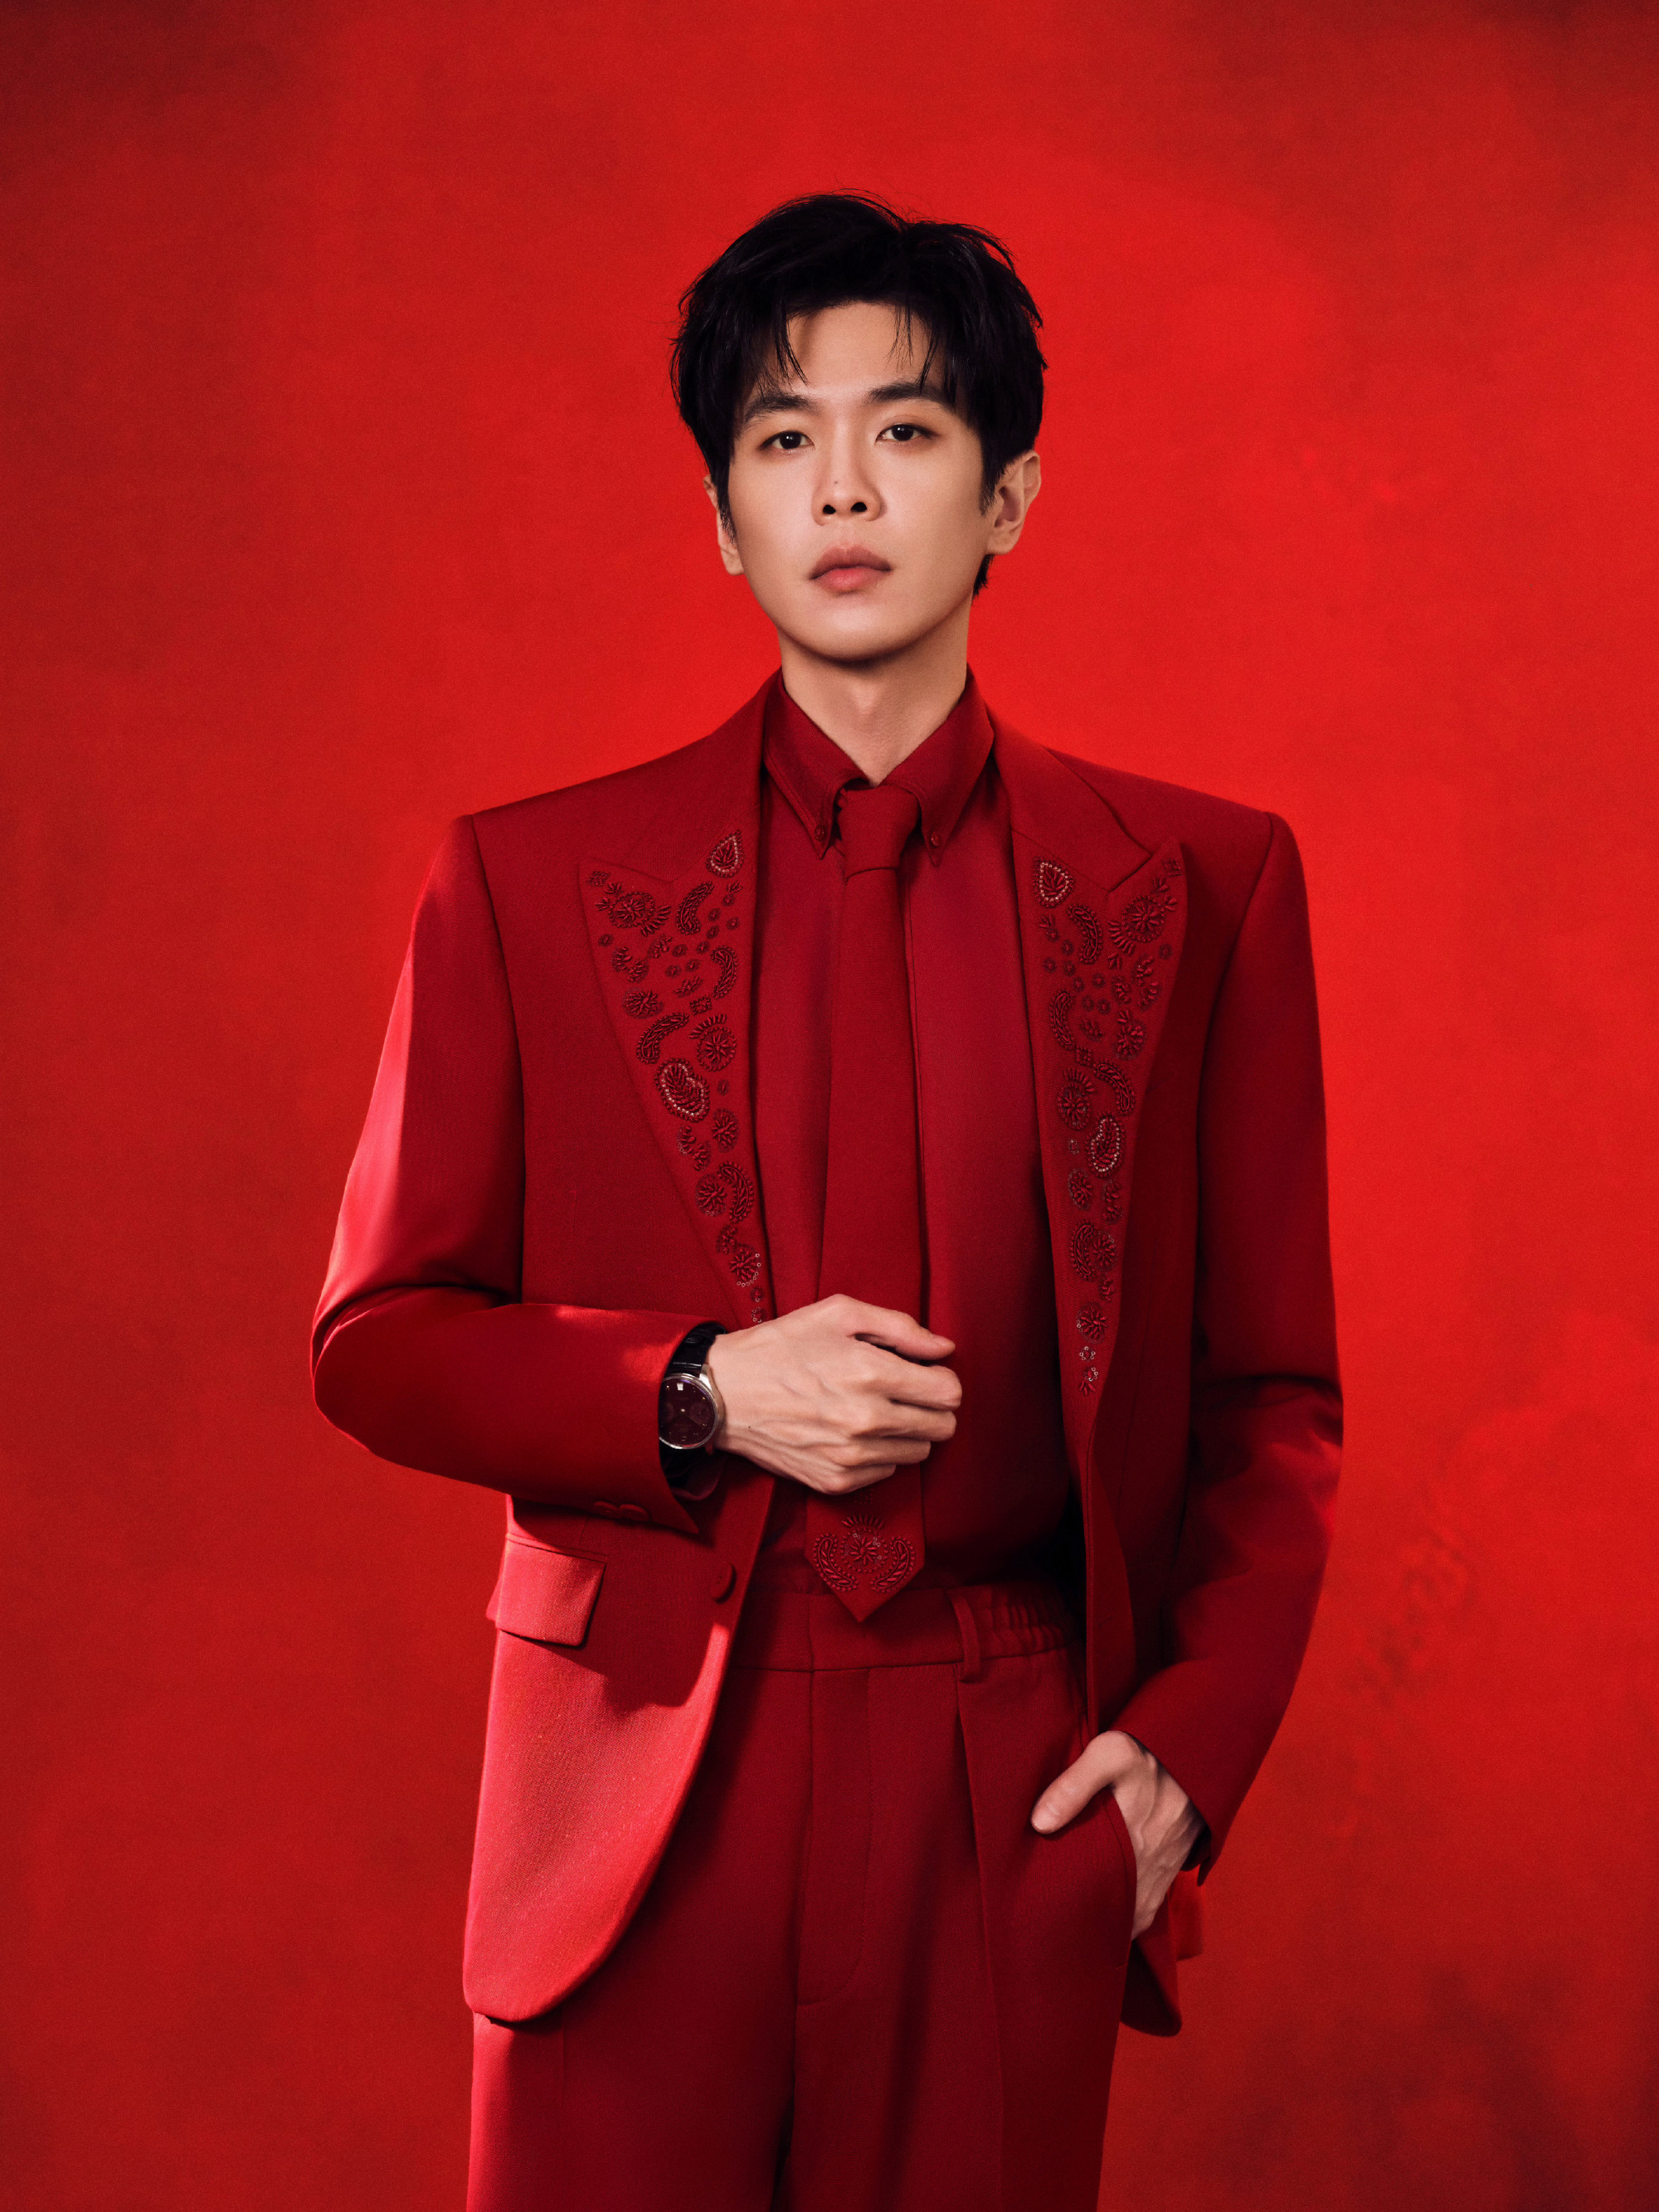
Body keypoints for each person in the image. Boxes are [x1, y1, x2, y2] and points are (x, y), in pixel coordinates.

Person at [311, 191, 1341, 2212]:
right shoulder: (523, 881)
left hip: (1006, 1767)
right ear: (722, 514)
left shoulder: (1203, 886)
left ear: (1007, 494)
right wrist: (699, 1386)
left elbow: (1272, 1395)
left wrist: (1183, 1760)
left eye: (909, 430)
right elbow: (378, 1339)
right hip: (635, 1793)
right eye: (783, 436)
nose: (843, 486)